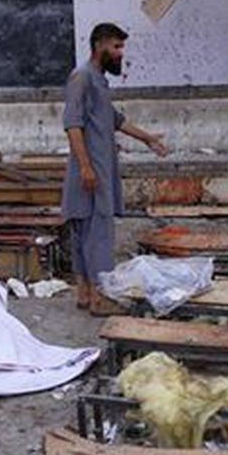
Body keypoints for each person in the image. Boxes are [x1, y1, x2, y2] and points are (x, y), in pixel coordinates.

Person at [62, 23, 168, 309]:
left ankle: (85, 295)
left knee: (87, 233)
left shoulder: (98, 80)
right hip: (90, 171)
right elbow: (72, 125)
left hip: (97, 170)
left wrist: (148, 139)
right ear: (100, 46)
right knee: (97, 233)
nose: (121, 54)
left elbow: (115, 120)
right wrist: (85, 167)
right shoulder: (81, 77)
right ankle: (99, 297)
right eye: (116, 47)